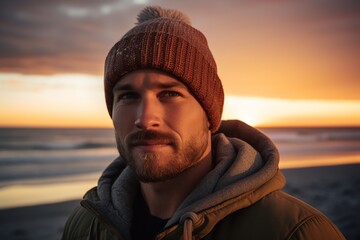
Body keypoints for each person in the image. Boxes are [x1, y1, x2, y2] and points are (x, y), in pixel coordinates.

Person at [62, 6, 345, 240]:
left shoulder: (296, 232)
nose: (145, 118)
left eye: (170, 93)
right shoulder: (85, 225)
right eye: (127, 96)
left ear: (210, 114)